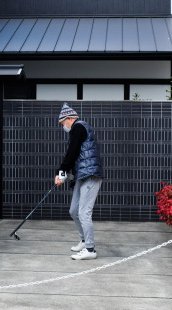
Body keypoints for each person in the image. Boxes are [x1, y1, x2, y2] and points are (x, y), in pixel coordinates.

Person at [55, 102, 103, 260]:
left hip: (90, 175)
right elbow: (77, 156)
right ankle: (84, 240)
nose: (64, 127)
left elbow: (72, 151)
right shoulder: (76, 130)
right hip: (81, 176)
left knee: (84, 212)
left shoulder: (79, 127)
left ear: (69, 119)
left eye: (63, 123)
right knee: (74, 210)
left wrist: (61, 170)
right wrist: (66, 175)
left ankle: (90, 250)